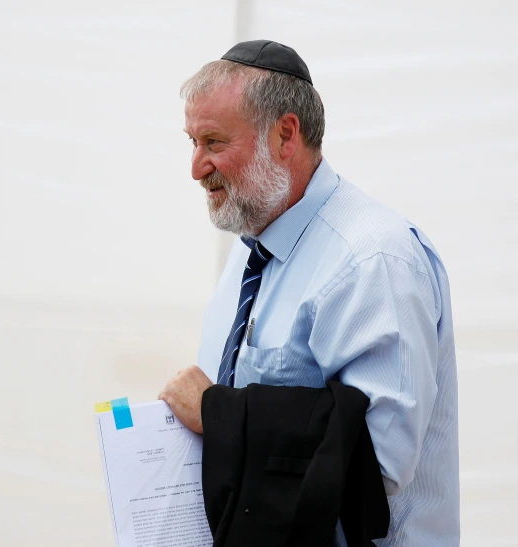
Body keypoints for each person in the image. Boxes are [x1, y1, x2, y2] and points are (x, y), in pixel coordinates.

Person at [159, 39, 459, 546]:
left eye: (213, 142)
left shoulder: (373, 261)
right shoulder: (250, 248)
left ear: (285, 134)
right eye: (191, 142)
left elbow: (378, 463)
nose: (195, 166)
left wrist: (217, 413)